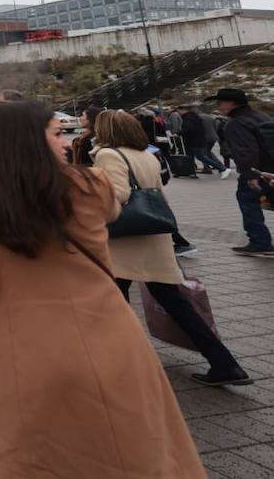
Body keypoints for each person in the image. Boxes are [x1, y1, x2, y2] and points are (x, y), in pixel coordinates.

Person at [0, 101, 204, 477]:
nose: (67, 142)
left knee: (40, 453)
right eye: (57, 133)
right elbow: (110, 215)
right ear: (33, 139)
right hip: (109, 330)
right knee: (136, 442)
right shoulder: (92, 183)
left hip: (26, 342)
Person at [92, 110, 250, 385]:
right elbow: (159, 195)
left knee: (115, 303)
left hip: (126, 242)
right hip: (152, 238)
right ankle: (224, 362)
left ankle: (124, 360)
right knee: (176, 304)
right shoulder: (146, 154)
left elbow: (118, 195)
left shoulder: (108, 155)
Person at [210, 87, 274, 257]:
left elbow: (246, 151)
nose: (219, 106)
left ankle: (260, 242)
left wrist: (250, 176)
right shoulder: (260, 116)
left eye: (220, 102)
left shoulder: (237, 122)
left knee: (248, 202)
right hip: (271, 170)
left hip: (258, 172)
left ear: (231, 103)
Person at [180, 106, 224, 174]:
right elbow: (215, 126)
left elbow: (192, 128)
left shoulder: (194, 118)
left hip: (202, 138)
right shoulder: (209, 117)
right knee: (207, 153)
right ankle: (216, 166)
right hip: (212, 137)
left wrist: (180, 132)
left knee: (202, 155)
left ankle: (216, 167)